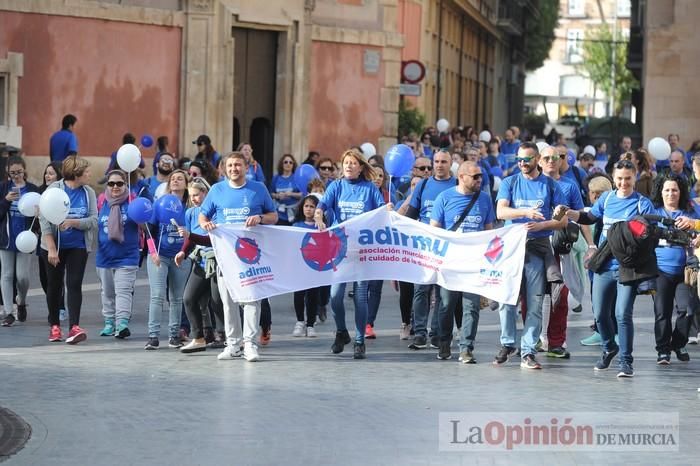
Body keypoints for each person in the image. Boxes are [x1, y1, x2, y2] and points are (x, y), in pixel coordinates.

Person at [566, 159, 655, 377]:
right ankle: (609, 348)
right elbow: (588, 217)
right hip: (604, 265)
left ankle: (626, 361)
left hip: (628, 267)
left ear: (634, 177)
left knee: (622, 314)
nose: (624, 183)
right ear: (613, 179)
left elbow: (651, 233)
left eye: (628, 178)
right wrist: (570, 213)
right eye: (619, 178)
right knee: (600, 314)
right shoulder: (606, 198)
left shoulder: (642, 203)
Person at [494, 142, 567, 370]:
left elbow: (562, 220)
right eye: (519, 160)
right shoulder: (510, 182)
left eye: (527, 160)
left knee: (534, 301)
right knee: (507, 300)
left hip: (538, 246)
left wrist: (543, 223)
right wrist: (525, 212)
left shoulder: (550, 186)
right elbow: (501, 211)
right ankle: (507, 343)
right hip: (512, 246)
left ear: (537, 159)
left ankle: (528, 350)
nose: (522, 164)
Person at [199, 151, 278, 362]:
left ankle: (250, 344)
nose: (234, 169)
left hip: (253, 256)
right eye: (231, 165)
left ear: (246, 168)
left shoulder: (258, 189)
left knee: (252, 299)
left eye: (238, 165)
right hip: (226, 257)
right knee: (229, 302)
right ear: (224, 168)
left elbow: (274, 216)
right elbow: (202, 215)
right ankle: (233, 344)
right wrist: (205, 223)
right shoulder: (217, 190)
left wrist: (260, 217)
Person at [314, 148, 386, 359]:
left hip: (362, 250)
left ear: (361, 167)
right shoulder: (336, 186)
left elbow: (382, 213)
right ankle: (341, 332)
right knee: (335, 296)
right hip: (339, 249)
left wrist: (388, 211)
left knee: (361, 297)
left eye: (353, 163)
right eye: (346, 162)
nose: (348, 166)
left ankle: (359, 340)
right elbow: (321, 206)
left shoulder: (370, 189)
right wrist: (319, 217)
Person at [430, 161, 494, 362]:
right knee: (447, 304)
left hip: (474, 263)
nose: (479, 180)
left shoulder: (484, 199)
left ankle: (466, 347)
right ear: (462, 177)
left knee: (471, 306)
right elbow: (434, 230)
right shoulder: (445, 197)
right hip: (450, 263)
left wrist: (490, 262)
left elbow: (489, 231)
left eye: (480, 176)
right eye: (475, 176)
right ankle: (444, 341)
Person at [399, 150, 455, 350]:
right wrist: (394, 220)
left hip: (446, 247)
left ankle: (436, 333)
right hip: (423, 246)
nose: (439, 165)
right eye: (436, 162)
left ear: (451, 164)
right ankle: (420, 332)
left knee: (441, 292)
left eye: (443, 162)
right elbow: (412, 214)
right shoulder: (423, 185)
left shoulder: (457, 186)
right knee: (420, 290)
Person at [40, 155, 97, 344]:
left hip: (78, 246)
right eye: (86, 171)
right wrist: (51, 248)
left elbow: (93, 220)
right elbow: (44, 219)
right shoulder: (54, 189)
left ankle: (74, 327)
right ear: (77, 173)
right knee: (54, 285)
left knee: (74, 284)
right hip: (53, 245)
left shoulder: (88, 192)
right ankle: (54, 326)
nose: (89, 174)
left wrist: (74, 222)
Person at [175, 177, 226, 353]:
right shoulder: (190, 213)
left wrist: (190, 236)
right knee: (188, 299)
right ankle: (198, 338)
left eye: (197, 195)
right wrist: (183, 251)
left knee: (217, 301)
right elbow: (190, 240)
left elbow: (211, 240)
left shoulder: (216, 213)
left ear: (206, 193)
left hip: (217, 261)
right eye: (192, 196)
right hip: (200, 262)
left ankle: (225, 336)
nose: (195, 199)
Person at [649, 174, 696, 364]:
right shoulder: (653, 212)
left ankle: (678, 343)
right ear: (660, 192)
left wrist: (695, 231)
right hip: (660, 270)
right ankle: (663, 350)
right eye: (667, 190)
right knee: (662, 312)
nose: (670, 194)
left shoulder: (692, 211)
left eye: (674, 190)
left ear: (681, 191)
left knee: (688, 310)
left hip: (687, 270)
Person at [144, 170, 191, 350]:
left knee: (177, 298)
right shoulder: (160, 204)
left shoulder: (189, 208)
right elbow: (148, 230)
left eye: (180, 179)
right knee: (157, 295)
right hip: (160, 256)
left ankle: (173, 336)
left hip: (181, 257)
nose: (176, 181)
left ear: (186, 184)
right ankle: (153, 336)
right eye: (173, 179)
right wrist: (153, 252)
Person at [95, 170, 140, 339]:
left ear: (125, 184)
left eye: (119, 183)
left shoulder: (133, 201)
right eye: (111, 183)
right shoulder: (101, 201)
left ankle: (122, 324)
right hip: (105, 255)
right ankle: (109, 322)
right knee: (107, 292)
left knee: (123, 291)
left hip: (127, 255)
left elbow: (144, 226)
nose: (115, 187)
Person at [0, 157, 40, 326]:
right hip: (7, 238)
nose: (16, 176)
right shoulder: (3, 188)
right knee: (7, 275)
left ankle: (21, 301)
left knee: (22, 277)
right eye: (12, 173)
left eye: (19, 172)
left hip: (26, 239)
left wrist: (38, 214)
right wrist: (6, 201)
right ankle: (9, 312)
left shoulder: (32, 190)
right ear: (8, 173)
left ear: (24, 170)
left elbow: (39, 218)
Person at [291, 195, 321, 338]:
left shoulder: (320, 226)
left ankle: (310, 324)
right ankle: (300, 322)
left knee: (313, 295)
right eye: (306, 206)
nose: (309, 209)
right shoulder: (296, 226)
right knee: (299, 294)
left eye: (312, 206)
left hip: (315, 267)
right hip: (299, 267)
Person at [36, 162, 64, 306]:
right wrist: (35, 216)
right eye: (46, 172)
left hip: (59, 240)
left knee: (56, 277)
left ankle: (59, 307)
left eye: (51, 173)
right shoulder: (39, 192)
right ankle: (54, 304)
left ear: (59, 176)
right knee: (44, 278)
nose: (47, 176)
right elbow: (34, 223)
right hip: (43, 241)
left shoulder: (63, 193)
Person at [269, 154, 302, 225]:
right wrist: (277, 196)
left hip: (294, 213)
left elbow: (303, 194)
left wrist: (291, 194)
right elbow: (270, 193)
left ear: (293, 165)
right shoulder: (276, 178)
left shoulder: (297, 178)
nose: (288, 164)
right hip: (279, 213)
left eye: (291, 162)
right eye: (285, 162)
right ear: (282, 164)